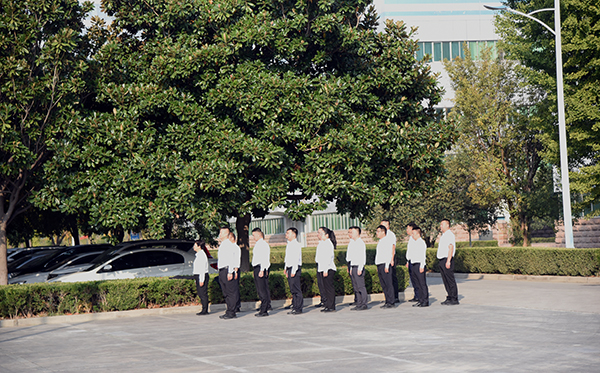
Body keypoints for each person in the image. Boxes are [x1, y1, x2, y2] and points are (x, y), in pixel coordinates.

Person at [217, 227, 240, 319]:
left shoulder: (228, 245)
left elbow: (231, 259)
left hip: (227, 270)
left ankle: (232, 312)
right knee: (226, 292)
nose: (220, 234)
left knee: (231, 292)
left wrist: (230, 272)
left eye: (221, 232)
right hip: (222, 270)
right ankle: (229, 310)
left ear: (226, 234)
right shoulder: (223, 245)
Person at [438, 219, 459, 305]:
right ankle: (449, 296)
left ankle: (454, 298)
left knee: (450, 280)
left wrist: (448, 261)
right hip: (441, 259)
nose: (441, 226)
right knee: (445, 280)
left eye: (442, 224)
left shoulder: (449, 235)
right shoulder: (443, 235)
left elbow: (451, 248)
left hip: (447, 259)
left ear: (447, 225)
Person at [315, 226, 337, 312]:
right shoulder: (322, 243)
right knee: (325, 288)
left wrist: (325, 269)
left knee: (329, 288)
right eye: (318, 233)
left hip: (328, 269)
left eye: (320, 233)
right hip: (322, 268)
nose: (318, 235)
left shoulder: (328, 243)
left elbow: (328, 258)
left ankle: (331, 306)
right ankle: (327, 305)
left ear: (326, 235)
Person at [346, 226, 368, 310]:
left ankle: (364, 304)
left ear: (357, 233)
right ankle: (359, 303)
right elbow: (352, 257)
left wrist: (360, 267)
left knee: (361, 287)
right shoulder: (353, 243)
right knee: (356, 287)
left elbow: (362, 257)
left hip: (358, 267)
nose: (351, 234)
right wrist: (351, 268)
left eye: (352, 232)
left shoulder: (360, 243)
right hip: (353, 266)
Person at [251, 227, 271, 317]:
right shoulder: (258, 244)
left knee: (262, 289)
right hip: (258, 268)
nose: (253, 237)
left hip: (260, 267)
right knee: (261, 289)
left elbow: (264, 258)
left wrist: (262, 269)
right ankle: (264, 307)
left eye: (254, 235)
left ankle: (264, 310)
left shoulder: (263, 244)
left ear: (259, 235)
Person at [407, 226, 429, 307]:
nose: (412, 235)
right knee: (417, 283)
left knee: (422, 283)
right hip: (413, 264)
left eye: (413, 233)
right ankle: (420, 300)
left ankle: (425, 300)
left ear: (417, 233)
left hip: (419, 264)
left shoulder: (421, 242)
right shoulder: (414, 242)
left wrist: (422, 266)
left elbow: (423, 256)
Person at [375, 225, 395, 308]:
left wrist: (387, 265)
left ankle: (391, 302)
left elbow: (388, 254)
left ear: (383, 232)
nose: (377, 233)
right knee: (384, 284)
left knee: (388, 284)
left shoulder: (387, 241)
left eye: (378, 231)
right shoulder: (380, 241)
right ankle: (387, 300)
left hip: (385, 264)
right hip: (380, 264)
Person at [284, 227, 303, 315]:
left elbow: (296, 259)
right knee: (292, 289)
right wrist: (286, 268)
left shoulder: (296, 245)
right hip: (289, 268)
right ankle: (294, 306)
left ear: (294, 234)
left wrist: (293, 270)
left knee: (296, 289)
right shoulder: (289, 244)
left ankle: (298, 308)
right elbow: (287, 258)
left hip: (294, 268)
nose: (286, 235)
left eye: (288, 233)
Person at [381, 220, 399, 303]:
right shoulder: (383, 236)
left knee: (392, 278)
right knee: (387, 279)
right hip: (385, 258)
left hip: (391, 258)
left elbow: (393, 247)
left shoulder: (390, 235)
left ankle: (394, 297)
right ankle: (388, 297)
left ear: (387, 226)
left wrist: (392, 259)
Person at [192, 240, 210, 315]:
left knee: (203, 293)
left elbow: (202, 269)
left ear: (199, 246)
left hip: (202, 275)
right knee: (201, 293)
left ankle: (205, 310)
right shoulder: (199, 255)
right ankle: (204, 308)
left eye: (195, 245)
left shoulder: (202, 255)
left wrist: (201, 279)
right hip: (198, 276)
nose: (193, 246)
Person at [405, 222, 420, 302]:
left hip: (415, 262)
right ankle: (416, 295)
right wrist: (408, 261)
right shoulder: (411, 239)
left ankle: (419, 295)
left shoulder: (416, 239)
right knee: (413, 279)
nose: (407, 230)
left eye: (408, 228)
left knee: (417, 279)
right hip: (410, 261)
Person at [228, 231, 242, 312]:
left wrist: (235, 271)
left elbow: (236, 260)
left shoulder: (235, 247)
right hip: (231, 269)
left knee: (235, 288)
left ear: (232, 238)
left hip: (234, 270)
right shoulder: (229, 247)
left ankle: (237, 305)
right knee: (232, 289)